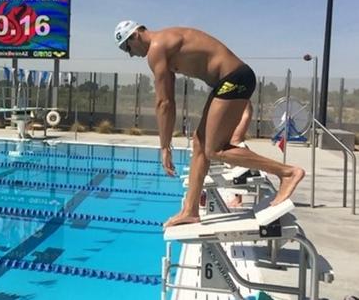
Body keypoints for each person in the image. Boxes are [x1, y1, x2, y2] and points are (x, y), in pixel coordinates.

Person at [114, 20, 305, 227]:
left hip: (234, 78)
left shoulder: (156, 48)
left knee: (214, 150)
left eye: (127, 47)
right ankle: (190, 210)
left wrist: (164, 147)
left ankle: (287, 172)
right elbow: (167, 100)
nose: (130, 54)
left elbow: (164, 103)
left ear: (135, 35)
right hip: (226, 81)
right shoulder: (164, 43)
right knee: (199, 143)